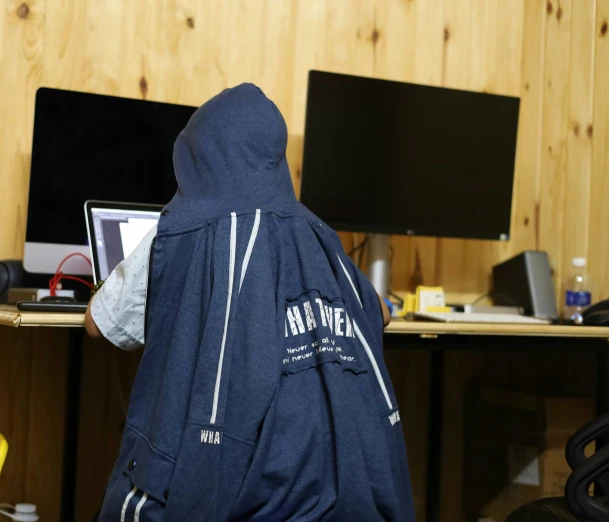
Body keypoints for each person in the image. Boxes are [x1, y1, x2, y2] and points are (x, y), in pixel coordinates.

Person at [85, 83, 415, 522]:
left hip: (222, 484)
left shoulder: (180, 230)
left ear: (197, 156)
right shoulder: (319, 235)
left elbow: (99, 323)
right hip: (326, 491)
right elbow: (380, 312)